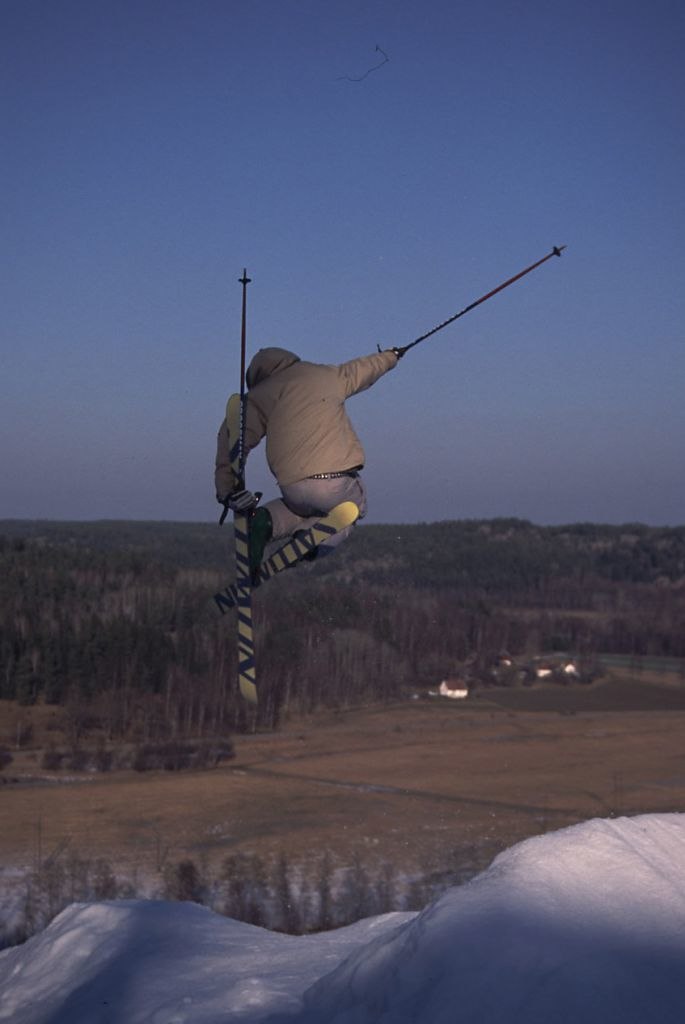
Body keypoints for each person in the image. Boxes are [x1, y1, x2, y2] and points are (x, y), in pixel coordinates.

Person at [215, 345, 405, 574]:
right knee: (354, 506)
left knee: (299, 510)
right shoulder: (324, 375)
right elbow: (364, 369)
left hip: (292, 487)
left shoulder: (259, 396)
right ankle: (309, 541)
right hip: (336, 481)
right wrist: (391, 356)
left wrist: (227, 491)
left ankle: (263, 523)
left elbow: (231, 438)